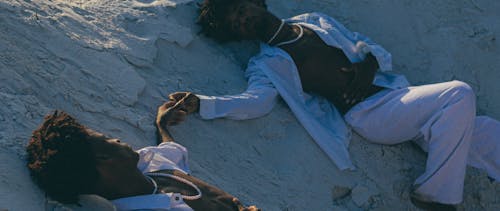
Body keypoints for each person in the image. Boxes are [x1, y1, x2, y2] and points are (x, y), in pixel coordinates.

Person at [163, 0, 500, 210]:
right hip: (372, 115)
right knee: (458, 93)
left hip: (396, 95)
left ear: (255, 1)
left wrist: (367, 66)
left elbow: (367, 46)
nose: (244, 19)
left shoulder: (314, 19)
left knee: (488, 133)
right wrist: (203, 104)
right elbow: (257, 102)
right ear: (238, 36)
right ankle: (434, 197)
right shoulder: (267, 64)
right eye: (236, 24)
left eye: (241, 10)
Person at [26, 109, 259, 211]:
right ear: (103, 158)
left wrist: (162, 124)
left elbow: (170, 147)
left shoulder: (151, 164)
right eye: (106, 138)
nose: (116, 138)